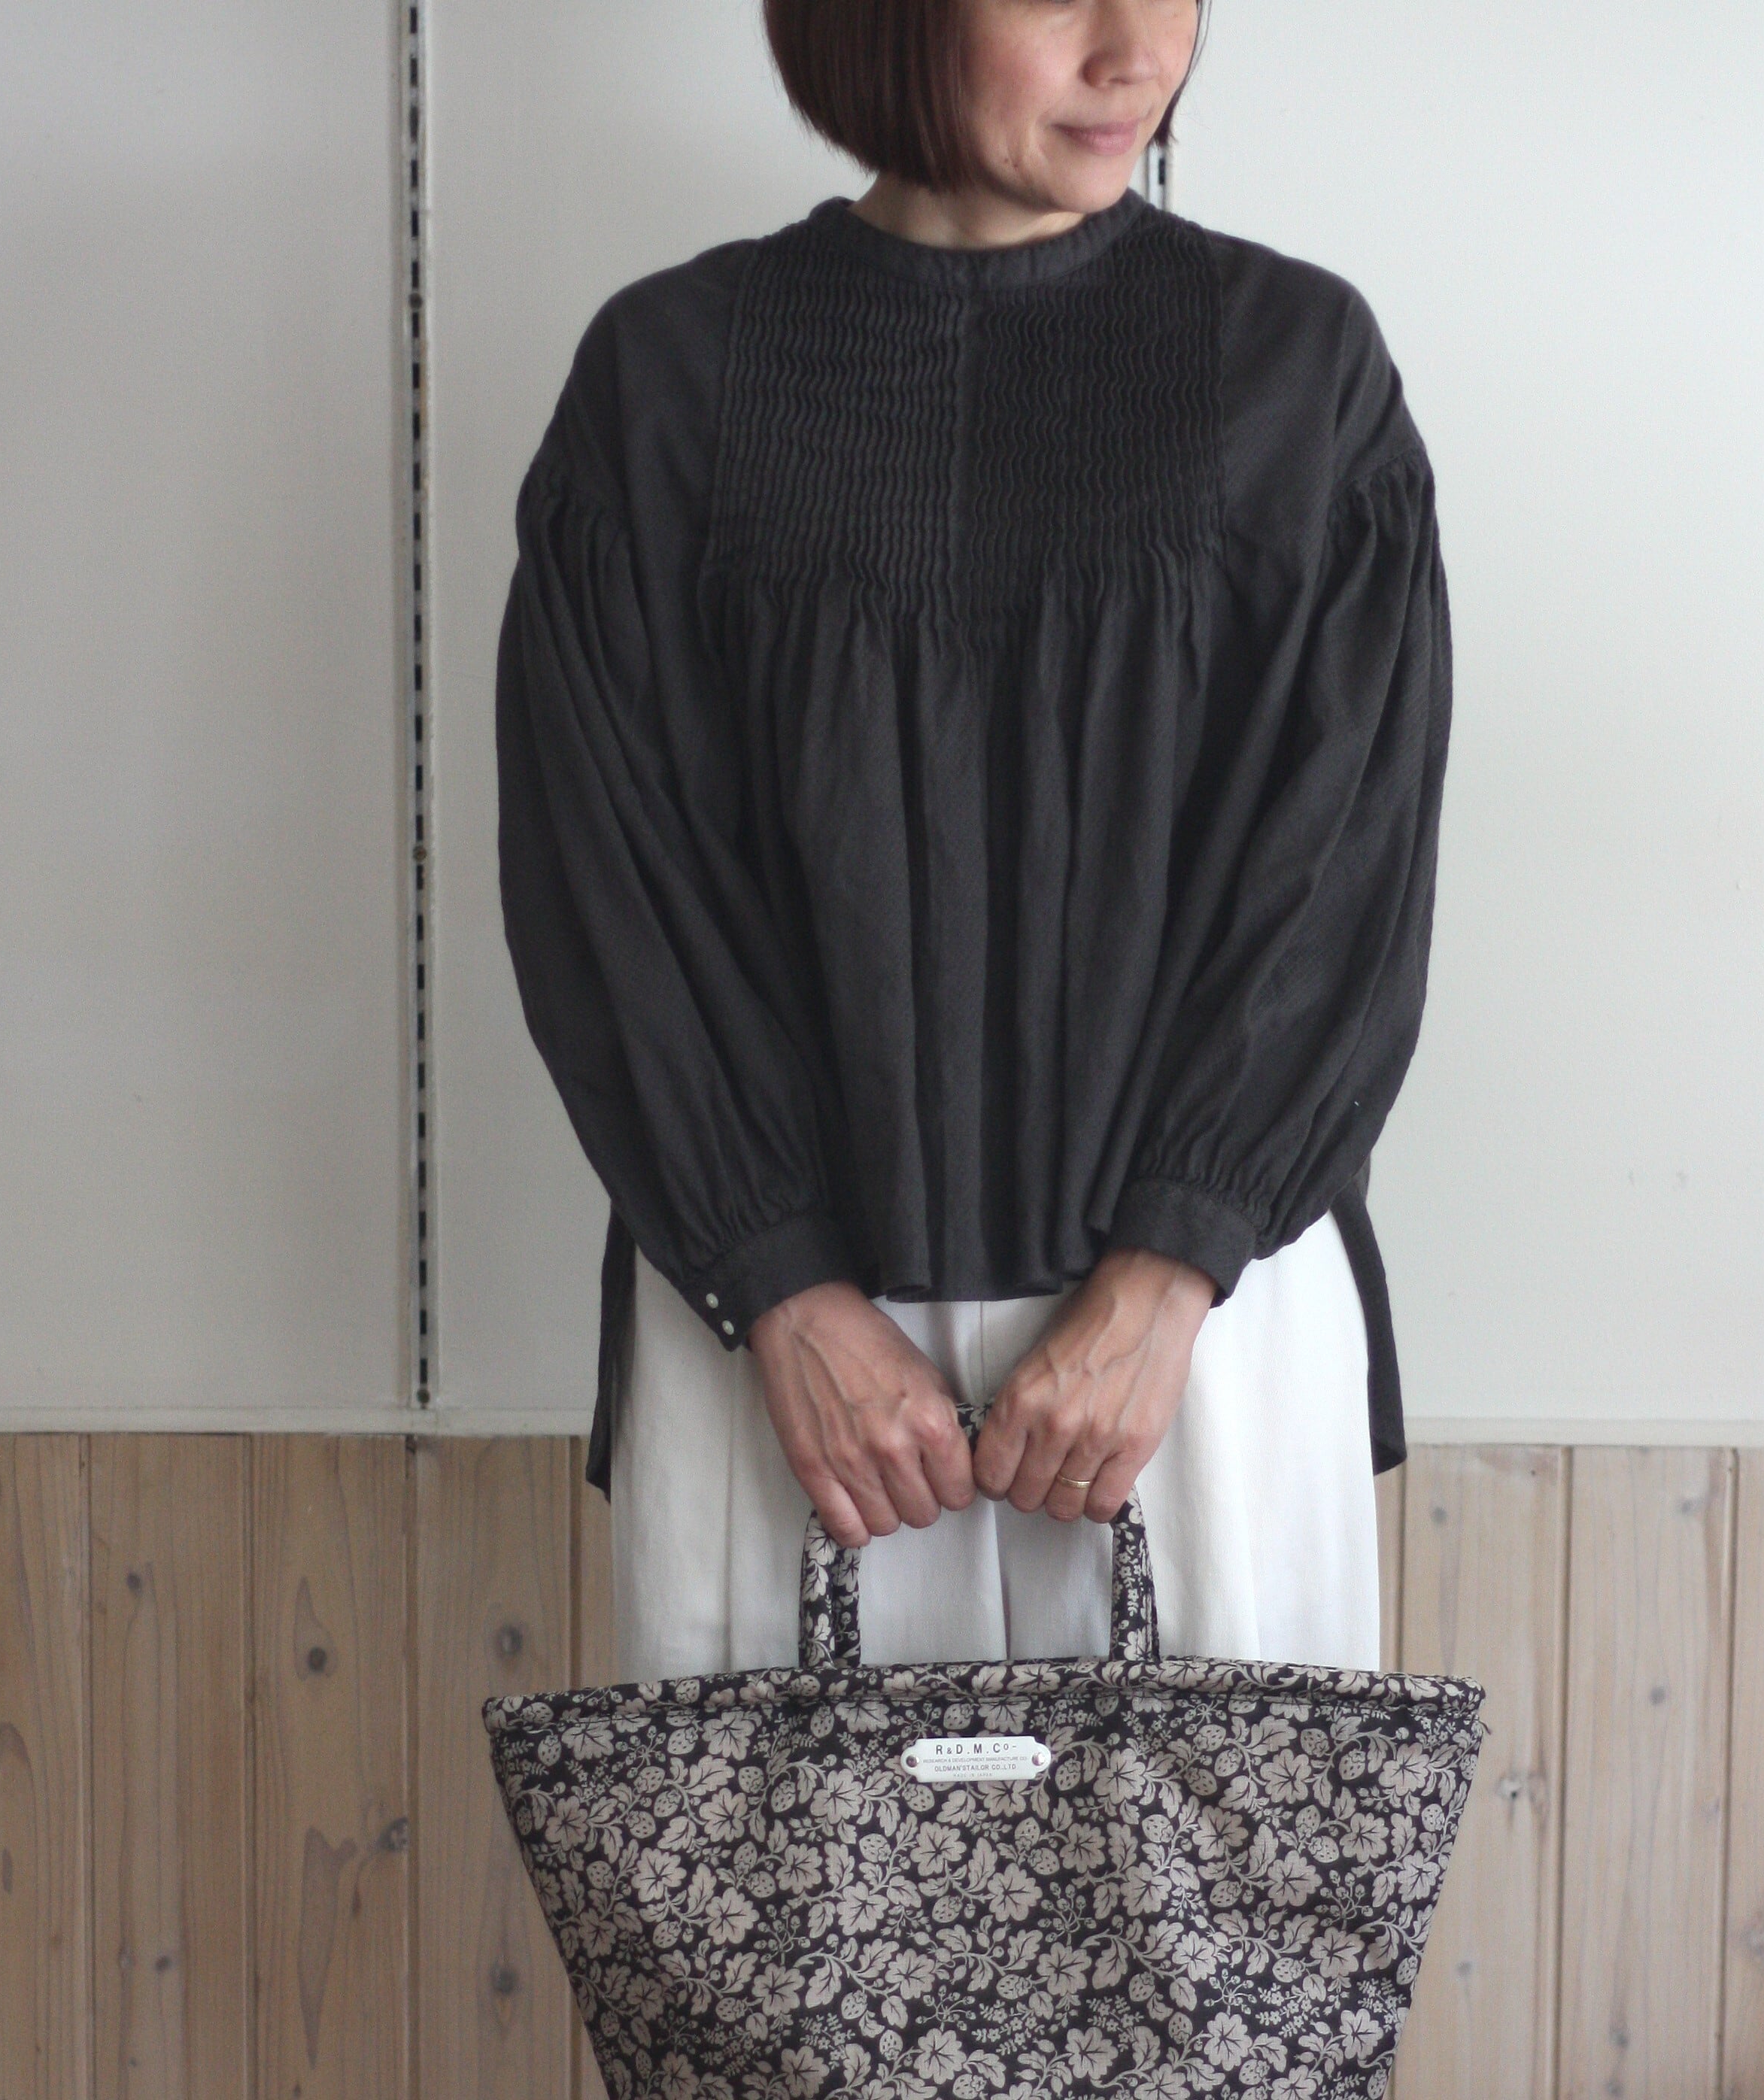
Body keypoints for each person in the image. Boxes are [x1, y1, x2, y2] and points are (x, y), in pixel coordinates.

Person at [494, 0, 1452, 1683]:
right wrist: (780, 1283)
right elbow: (605, 881)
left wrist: (1167, 1273)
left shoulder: (1295, 368)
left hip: (1203, 1347)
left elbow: (1344, 875)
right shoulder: (669, 381)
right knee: (771, 1871)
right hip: (780, 1369)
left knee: (1219, 1868)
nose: (1138, 48)